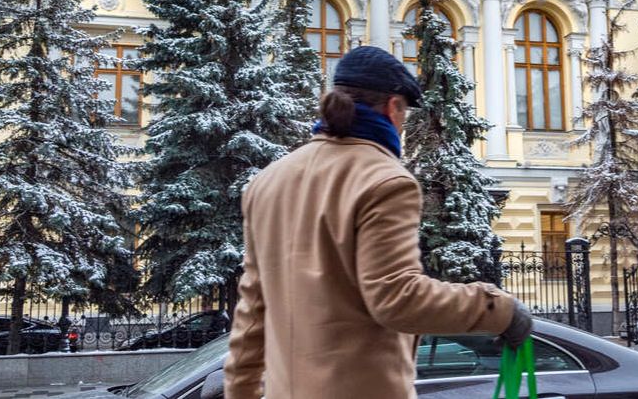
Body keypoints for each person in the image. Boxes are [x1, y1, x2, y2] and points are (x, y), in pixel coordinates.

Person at [223, 46, 532, 399]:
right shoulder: (386, 180)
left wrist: (241, 392)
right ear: (393, 107)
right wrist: (498, 309)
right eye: (405, 115)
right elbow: (396, 297)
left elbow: (251, 317)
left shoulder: (268, 181)